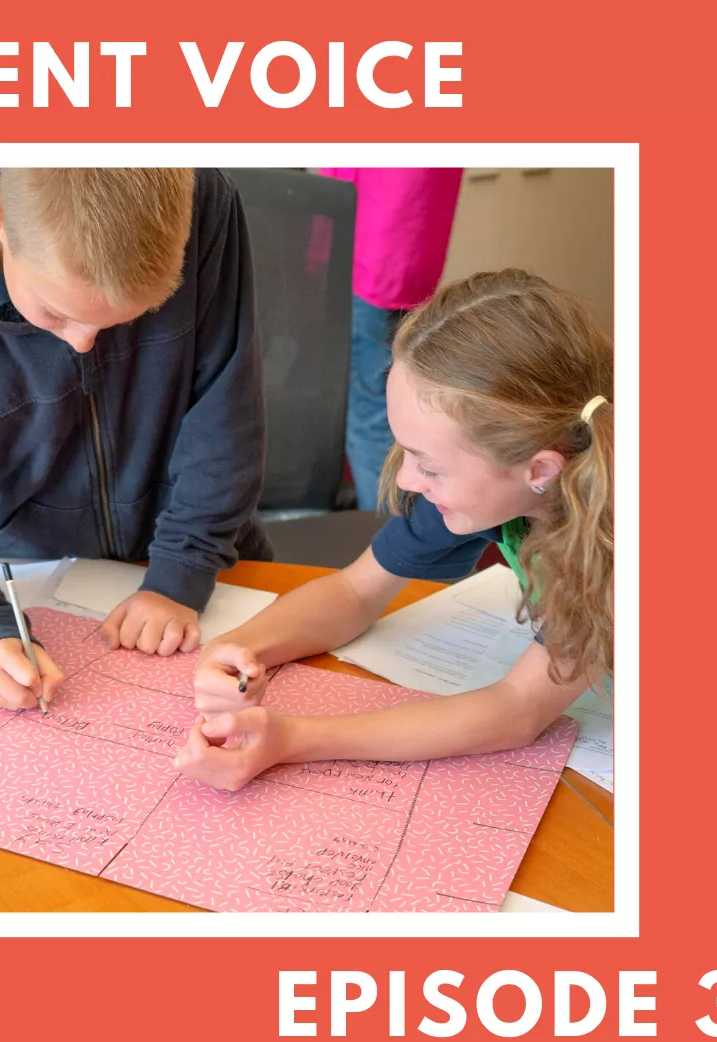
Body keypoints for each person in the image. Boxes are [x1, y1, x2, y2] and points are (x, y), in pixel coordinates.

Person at [175, 269, 613, 791]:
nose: (407, 478)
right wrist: (236, 648)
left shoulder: (612, 553)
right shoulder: (492, 483)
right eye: (406, 451)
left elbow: (518, 709)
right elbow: (354, 591)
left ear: (539, 470)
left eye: (428, 466)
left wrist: (294, 740)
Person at [0, 168, 271, 711]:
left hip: (208, 556)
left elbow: (226, 408)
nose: (83, 343)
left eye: (132, 318)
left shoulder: (203, 205)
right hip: (28, 573)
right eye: (56, 313)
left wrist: (182, 573)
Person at [319, 167, 462, 509]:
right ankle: (394, 525)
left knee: (372, 412)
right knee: (387, 402)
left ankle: (389, 533)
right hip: (396, 245)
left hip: (377, 251)